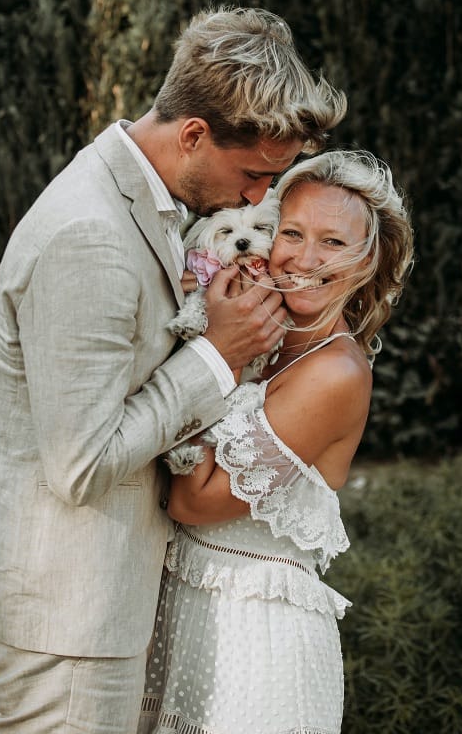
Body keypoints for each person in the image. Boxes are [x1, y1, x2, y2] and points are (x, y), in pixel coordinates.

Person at [0, 6, 347, 732]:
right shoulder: (92, 234)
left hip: (103, 604)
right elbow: (81, 465)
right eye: (254, 176)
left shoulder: (140, 200)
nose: (254, 201)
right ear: (194, 135)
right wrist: (219, 355)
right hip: (68, 619)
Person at [138, 149, 414, 734]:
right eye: (290, 232)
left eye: (334, 243)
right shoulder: (266, 330)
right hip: (183, 613)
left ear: (368, 260)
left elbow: (194, 501)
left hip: (254, 648)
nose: (303, 258)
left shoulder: (334, 374)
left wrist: (215, 351)